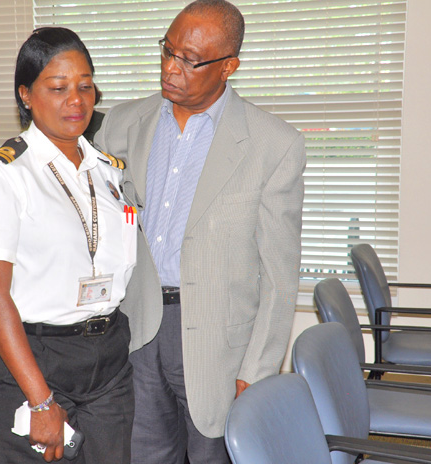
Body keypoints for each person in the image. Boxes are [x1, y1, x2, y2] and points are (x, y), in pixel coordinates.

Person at [94, 1, 306, 463]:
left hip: (219, 344)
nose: (171, 68)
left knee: (213, 456)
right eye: (167, 51)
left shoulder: (274, 145)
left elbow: (279, 275)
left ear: (228, 66)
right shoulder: (123, 124)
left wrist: (258, 369)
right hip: (137, 325)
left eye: (189, 60)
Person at [0, 27, 137, 464]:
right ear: (26, 95)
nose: (76, 101)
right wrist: (40, 401)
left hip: (106, 354)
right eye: (57, 88)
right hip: (35, 359)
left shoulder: (107, 171)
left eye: (85, 86)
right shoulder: (4, 176)